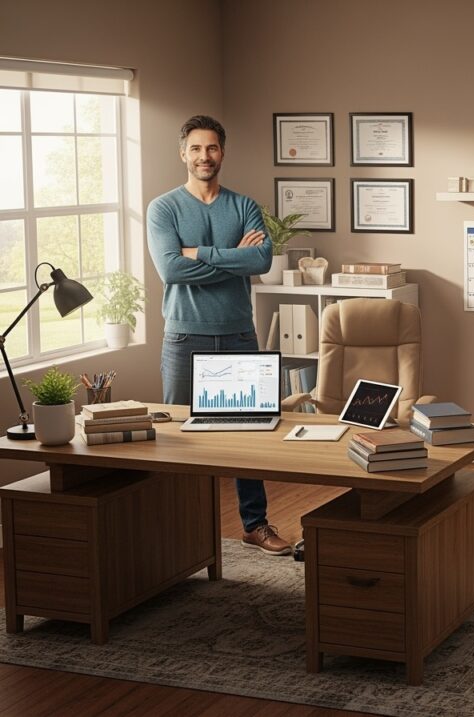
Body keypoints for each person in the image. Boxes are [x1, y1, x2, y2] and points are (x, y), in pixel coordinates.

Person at [147, 114, 291, 556]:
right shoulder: (164, 208)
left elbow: (261, 262)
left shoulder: (244, 206)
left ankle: (255, 524)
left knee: (247, 437)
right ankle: (178, 528)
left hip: (237, 335)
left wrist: (200, 255)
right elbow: (170, 268)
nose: (203, 156)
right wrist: (231, 258)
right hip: (183, 338)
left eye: (211, 148)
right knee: (177, 438)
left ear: (222, 152)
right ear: (182, 154)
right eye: (195, 148)